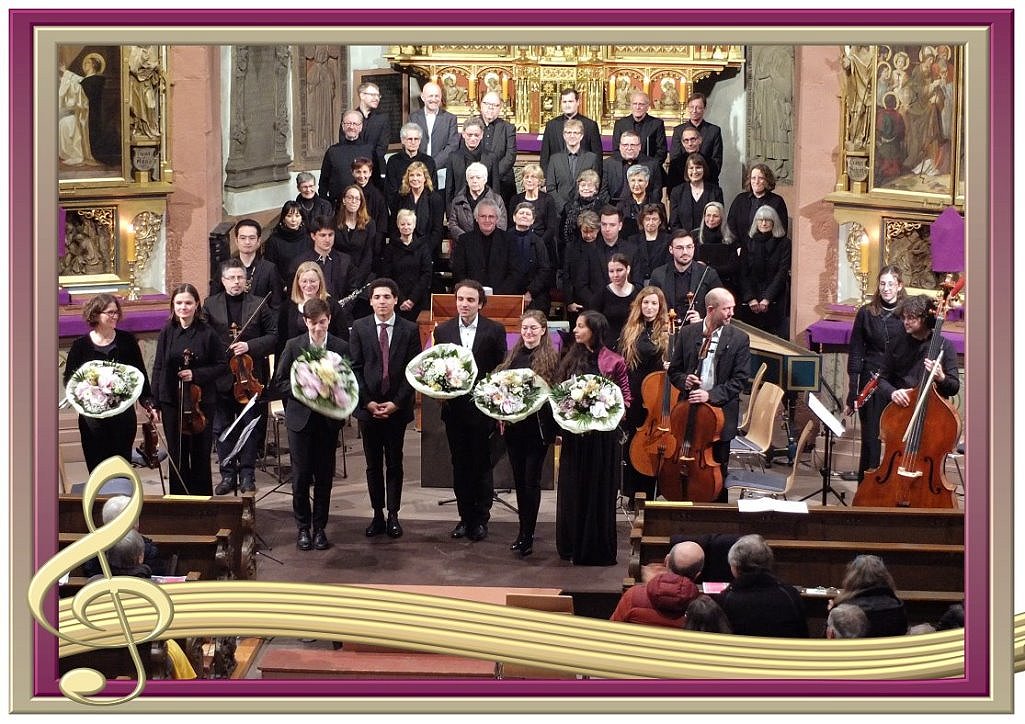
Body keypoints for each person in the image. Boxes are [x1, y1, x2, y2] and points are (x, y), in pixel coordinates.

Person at [555, 311, 632, 566]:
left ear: (594, 330)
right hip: (575, 438)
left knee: (597, 491)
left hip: (601, 440)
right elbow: (560, 395)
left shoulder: (614, 361)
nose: (575, 331)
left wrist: (607, 414)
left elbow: (626, 399)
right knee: (573, 488)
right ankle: (571, 546)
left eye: (580, 327)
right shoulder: (570, 358)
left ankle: (595, 549)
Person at [434, 280, 508, 542]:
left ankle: (480, 519)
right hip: (455, 410)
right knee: (460, 465)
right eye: (460, 299)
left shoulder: (494, 330)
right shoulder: (443, 330)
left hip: (482, 410)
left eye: (470, 300)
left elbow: (501, 369)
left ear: (480, 303)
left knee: (481, 466)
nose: (464, 304)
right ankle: (464, 518)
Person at [272, 298, 348, 551]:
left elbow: (349, 384)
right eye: (313, 323)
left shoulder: (340, 347)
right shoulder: (293, 346)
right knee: (301, 476)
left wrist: (332, 391)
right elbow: (279, 383)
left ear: (329, 320)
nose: (318, 328)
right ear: (305, 321)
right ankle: (303, 528)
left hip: (327, 423)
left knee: (324, 477)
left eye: (323, 322)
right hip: (300, 421)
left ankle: (320, 529)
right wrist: (306, 389)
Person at [349, 279, 422, 539]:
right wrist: (367, 402)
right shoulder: (359, 327)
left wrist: (396, 403)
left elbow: (412, 370)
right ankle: (377, 514)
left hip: (396, 408)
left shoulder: (409, 329)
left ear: (395, 300)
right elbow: (354, 368)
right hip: (368, 408)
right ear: (370, 301)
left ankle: (393, 514)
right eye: (377, 297)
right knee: (372, 465)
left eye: (387, 297)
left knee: (394, 462)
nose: (382, 301)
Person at [668, 287, 750, 502]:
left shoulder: (739, 338)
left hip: (720, 416)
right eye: (727, 309)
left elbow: (740, 380)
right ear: (711, 310)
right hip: (687, 412)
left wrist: (710, 395)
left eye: (732, 308)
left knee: (717, 469)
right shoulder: (687, 334)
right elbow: (674, 371)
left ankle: (717, 517)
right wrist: (684, 380)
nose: (731, 313)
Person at [204, 258, 278, 495]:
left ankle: (247, 474)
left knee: (250, 427)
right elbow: (204, 338)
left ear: (246, 280)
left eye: (240, 277)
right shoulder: (209, 305)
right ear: (223, 280)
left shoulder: (259, 304)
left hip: (250, 377)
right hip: (222, 377)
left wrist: (250, 346)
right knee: (223, 428)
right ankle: (227, 474)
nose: (236, 282)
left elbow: (274, 336)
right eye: (231, 278)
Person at [64, 293, 157, 471]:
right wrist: (90, 390)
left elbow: (140, 374)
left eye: (116, 312)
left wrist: (148, 402)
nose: (115, 316)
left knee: (121, 466)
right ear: (96, 314)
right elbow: (69, 380)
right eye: (110, 313)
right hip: (93, 420)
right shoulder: (80, 346)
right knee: (98, 468)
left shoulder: (127, 341)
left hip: (122, 418)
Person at [151, 283, 226, 496]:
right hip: (171, 401)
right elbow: (158, 366)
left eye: (188, 303)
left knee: (201, 453)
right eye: (179, 303)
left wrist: (197, 375)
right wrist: (155, 402)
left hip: (200, 402)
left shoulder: (207, 333)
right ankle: (179, 501)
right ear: (173, 305)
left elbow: (221, 365)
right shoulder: (167, 331)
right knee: (177, 454)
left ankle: (202, 501)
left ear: (196, 305)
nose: (183, 307)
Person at [495, 310, 559, 557]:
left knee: (531, 481)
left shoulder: (550, 358)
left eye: (533, 328)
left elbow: (553, 395)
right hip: (515, 428)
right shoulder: (513, 355)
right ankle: (522, 531)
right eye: (524, 329)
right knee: (520, 481)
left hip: (537, 429)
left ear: (543, 330)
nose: (528, 333)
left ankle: (528, 534)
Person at [846, 265, 908, 481]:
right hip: (870, 381)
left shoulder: (907, 313)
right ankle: (867, 487)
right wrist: (853, 388)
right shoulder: (866, 312)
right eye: (882, 283)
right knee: (870, 438)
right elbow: (856, 351)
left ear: (900, 286)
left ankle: (892, 484)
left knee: (897, 437)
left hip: (897, 383)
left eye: (891, 284)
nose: (886, 288)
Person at [618, 286, 671, 503]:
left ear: (660, 308)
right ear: (639, 305)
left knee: (651, 443)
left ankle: (650, 490)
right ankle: (632, 492)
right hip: (634, 391)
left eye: (654, 304)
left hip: (655, 394)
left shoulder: (667, 331)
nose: (649, 307)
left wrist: (670, 362)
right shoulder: (631, 329)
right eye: (646, 303)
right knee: (632, 441)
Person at [875, 294, 960, 410]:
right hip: (901, 409)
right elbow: (881, 379)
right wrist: (893, 392)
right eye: (904, 317)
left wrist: (941, 377)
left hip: (932, 411)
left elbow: (954, 388)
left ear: (925, 318)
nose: (905, 322)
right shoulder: (896, 343)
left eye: (911, 318)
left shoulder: (945, 346)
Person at [718, 534, 809, 638]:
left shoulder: (725, 599)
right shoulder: (790, 595)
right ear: (769, 562)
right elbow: (802, 636)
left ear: (735, 567)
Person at [610, 541, 704, 627]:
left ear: (666, 561)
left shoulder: (633, 596)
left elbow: (613, 632)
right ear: (697, 574)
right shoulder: (705, 608)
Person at [736, 205, 792, 338]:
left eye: (767, 220)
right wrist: (750, 298)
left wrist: (767, 298)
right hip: (752, 301)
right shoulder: (748, 242)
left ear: (774, 222)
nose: (764, 223)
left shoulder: (784, 243)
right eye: (760, 220)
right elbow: (742, 272)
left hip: (776, 299)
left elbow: (782, 272)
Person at [649, 230, 723, 323]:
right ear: (671, 249)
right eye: (680, 248)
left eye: (689, 247)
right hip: (667, 329)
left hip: (697, 330)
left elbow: (721, 305)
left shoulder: (708, 273)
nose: (685, 252)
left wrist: (703, 320)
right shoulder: (658, 274)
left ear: (694, 248)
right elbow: (650, 305)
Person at [210, 219, 284, 311]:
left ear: (258, 241)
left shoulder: (269, 269)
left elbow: (276, 306)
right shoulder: (224, 267)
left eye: (252, 238)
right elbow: (213, 301)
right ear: (236, 241)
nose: (247, 242)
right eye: (243, 238)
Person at [289, 216, 356, 317]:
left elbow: (352, 292)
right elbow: (294, 292)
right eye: (323, 235)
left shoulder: (345, 260)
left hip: (340, 315)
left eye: (331, 235)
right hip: (308, 317)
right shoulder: (299, 262)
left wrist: (339, 312)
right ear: (313, 236)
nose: (327, 239)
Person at [277, 261, 348, 355]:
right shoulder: (288, 307)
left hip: (328, 362)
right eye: (304, 281)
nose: (308, 285)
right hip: (295, 362)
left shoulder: (332, 305)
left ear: (320, 281)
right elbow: (282, 341)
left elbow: (342, 337)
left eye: (312, 281)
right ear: (298, 282)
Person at [450, 200, 520, 295]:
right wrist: (472, 292)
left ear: (497, 219)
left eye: (491, 216)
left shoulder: (509, 240)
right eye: (483, 216)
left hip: (502, 297)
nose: (487, 220)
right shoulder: (464, 240)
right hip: (471, 296)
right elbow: (459, 271)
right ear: (476, 218)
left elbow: (515, 272)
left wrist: (499, 294)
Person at [831, 554, 909, 637]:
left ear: (851, 577)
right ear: (885, 576)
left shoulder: (845, 609)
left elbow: (831, 638)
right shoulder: (897, 605)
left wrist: (832, 611)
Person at [378, 209, 432, 323]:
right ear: (398, 225)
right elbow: (387, 276)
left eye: (409, 224)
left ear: (414, 225)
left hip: (419, 299)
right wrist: (401, 299)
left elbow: (426, 274)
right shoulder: (390, 248)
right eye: (402, 224)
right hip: (397, 300)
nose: (406, 227)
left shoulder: (423, 247)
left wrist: (412, 299)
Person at [333, 184, 379, 317]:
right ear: (343, 200)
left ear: (361, 202)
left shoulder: (369, 224)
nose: (353, 201)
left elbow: (369, 253)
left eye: (357, 199)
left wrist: (357, 279)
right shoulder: (334, 222)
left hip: (362, 277)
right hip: (339, 275)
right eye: (350, 198)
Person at [409, 81, 460, 191]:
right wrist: (420, 166)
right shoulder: (414, 117)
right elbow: (409, 142)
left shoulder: (450, 119)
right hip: (418, 171)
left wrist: (433, 164)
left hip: (441, 170)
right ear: (423, 97)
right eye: (430, 96)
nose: (434, 99)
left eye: (437, 96)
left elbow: (452, 146)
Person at [545, 118, 603, 214]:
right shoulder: (554, 159)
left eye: (575, 133)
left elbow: (595, 186)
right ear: (564, 135)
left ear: (581, 136)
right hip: (560, 212)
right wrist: (563, 206)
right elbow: (550, 187)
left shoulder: (591, 158)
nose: (572, 136)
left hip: (585, 211)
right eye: (568, 133)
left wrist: (583, 204)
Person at [391, 161, 446, 262]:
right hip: (402, 249)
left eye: (418, 175)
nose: (415, 178)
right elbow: (393, 225)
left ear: (425, 178)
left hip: (427, 249)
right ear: (407, 178)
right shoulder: (400, 197)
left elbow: (437, 230)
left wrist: (425, 252)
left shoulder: (435, 199)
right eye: (411, 175)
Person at [539, 87, 603, 172]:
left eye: (570, 101)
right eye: (564, 102)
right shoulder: (551, 125)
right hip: (557, 176)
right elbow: (545, 156)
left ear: (578, 102)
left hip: (583, 178)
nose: (567, 105)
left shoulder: (590, 125)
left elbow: (597, 157)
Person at [318, 110, 372, 207]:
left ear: (361, 127)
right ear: (343, 126)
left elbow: (376, 180)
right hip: (338, 206)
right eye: (348, 123)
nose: (351, 127)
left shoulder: (369, 150)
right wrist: (325, 204)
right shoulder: (332, 151)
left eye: (355, 124)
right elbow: (323, 181)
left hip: (364, 205)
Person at [507, 202, 553, 314]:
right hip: (509, 292)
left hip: (534, 294)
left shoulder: (538, 242)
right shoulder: (504, 239)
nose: (524, 215)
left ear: (532, 220)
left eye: (528, 214)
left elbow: (544, 269)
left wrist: (530, 292)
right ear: (514, 217)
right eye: (521, 212)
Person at [557, 169, 607, 271]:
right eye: (583, 185)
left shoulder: (602, 208)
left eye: (590, 185)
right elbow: (561, 234)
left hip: (596, 254)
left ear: (596, 189)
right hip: (573, 254)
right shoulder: (569, 206)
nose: (586, 188)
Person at [670, 93, 724, 185]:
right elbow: (675, 159)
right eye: (691, 107)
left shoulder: (714, 131)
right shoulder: (678, 131)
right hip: (683, 182)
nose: (694, 111)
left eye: (698, 107)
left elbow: (716, 161)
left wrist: (701, 178)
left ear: (704, 109)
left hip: (708, 182)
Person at [509, 163, 560, 260]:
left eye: (533, 177)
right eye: (526, 177)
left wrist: (538, 244)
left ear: (540, 181)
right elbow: (511, 225)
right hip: (520, 245)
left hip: (543, 245)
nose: (529, 180)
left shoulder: (548, 200)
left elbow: (551, 228)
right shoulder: (515, 199)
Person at [726, 163, 789, 242]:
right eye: (753, 178)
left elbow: (781, 230)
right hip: (741, 250)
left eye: (760, 178)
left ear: (767, 180)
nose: (756, 181)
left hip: (769, 251)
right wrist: (738, 246)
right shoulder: (740, 199)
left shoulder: (777, 201)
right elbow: (730, 226)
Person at [443, 117, 498, 206]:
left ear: (481, 135)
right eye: (469, 135)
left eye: (476, 135)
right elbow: (449, 189)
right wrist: (450, 212)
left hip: (485, 208)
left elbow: (495, 188)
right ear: (463, 134)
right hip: (460, 207)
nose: (473, 138)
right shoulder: (453, 157)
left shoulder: (491, 157)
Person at [447, 162, 508, 242]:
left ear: (485, 179)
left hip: (490, 245)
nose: (474, 181)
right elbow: (453, 224)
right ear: (467, 180)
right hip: (464, 245)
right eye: (471, 178)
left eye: (478, 178)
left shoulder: (497, 200)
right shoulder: (458, 200)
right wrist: (467, 240)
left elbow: (501, 225)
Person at [384, 122, 439, 209]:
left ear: (420, 141)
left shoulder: (429, 161)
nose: (413, 142)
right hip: (400, 212)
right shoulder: (393, 161)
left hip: (425, 211)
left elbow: (433, 189)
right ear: (403, 140)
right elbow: (390, 191)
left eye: (416, 139)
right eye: (410, 139)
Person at [589, 253, 638, 347]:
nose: (615, 275)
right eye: (611, 271)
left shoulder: (637, 293)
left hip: (632, 343)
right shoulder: (601, 295)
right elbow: (593, 322)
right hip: (608, 345)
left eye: (619, 270)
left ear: (628, 269)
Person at [478, 91, 518, 206]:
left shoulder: (508, 128)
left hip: (502, 181)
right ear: (481, 105)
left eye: (495, 105)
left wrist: (493, 176)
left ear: (500, 108)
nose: (490, 108)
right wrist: (480, 175)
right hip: (476, 181)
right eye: (487, 104)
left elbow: (510, 156)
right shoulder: (472, 125)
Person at [601, 131, 662, 205]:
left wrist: (647, 210)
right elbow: (603, 192)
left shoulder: (652, 164)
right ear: (620, 146)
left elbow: (656, 192)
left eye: (633, 145)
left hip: (643, 209)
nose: (629, 148)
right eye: (625, 145)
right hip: (614, 209)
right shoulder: (607, 164)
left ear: (639, 147)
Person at [263, 201, 311, 296]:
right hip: (283, 290)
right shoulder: (274, 240)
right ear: (283, 219)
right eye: (289, 216)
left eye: (297, 216)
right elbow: (271, 267)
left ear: (302, 218)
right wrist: (284, 286)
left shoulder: (309, 238)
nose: (293, 220)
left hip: (307, 287)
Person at [669, 153, 724, 234]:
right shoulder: (677, 192)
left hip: (709, 239)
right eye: (691, 168)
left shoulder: (715, 191)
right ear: (686, 171)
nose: (694, 171)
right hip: (684, 240)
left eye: (698, 168)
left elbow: (719, 219)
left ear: (704, 169)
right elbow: (674, 222)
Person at [612, 91, 667, 166]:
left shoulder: (657, 124)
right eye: (635, 104)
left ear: (647, 107)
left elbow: (661, 151)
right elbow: (616, 150)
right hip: (625, 168)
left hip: (649, 168)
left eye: (641, 104)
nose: (638, 107)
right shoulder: (620, 124)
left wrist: (650, 167)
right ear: (631, 106)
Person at [351, 81, 389, 182]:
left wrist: (367, 165)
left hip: (376, 168)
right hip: (355, 168)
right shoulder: (350, 118)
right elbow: (346, 144)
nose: (376, 98)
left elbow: (382, 147)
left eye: (378, 95)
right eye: (373, 95)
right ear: (362, 95)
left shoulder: (382, 119)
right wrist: (360, 165)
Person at [351, 157, 389, 249]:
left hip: (372, 243)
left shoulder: (378, 196)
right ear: (352, 172)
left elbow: (382, 224)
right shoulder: (347, 193)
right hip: (352, 241)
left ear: (370, 173)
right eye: (358, 172)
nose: (362, 176)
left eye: (365, 172)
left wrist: (377, 245)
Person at [616, 165, 658, 240]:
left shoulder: (657, 205)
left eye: (640, 180)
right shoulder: (621, 205)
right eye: (633, 180)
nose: (636, 184)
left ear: (647, 183)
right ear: (628, 183)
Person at [628, 203, 672, 276]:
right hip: (639, 281)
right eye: (647, 219)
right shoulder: (633, 240)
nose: (651, 223)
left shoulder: (668, 240)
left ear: (660, 221)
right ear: (642, 221)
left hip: (661, 280)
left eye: (654, 219)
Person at [665, 124, 703, 192]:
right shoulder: (675, 164)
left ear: (700, 140)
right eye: (686, 140)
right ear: (682, 143)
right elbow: (671, 190)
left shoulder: (709, 162)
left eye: (693, 139)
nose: (690, 143)